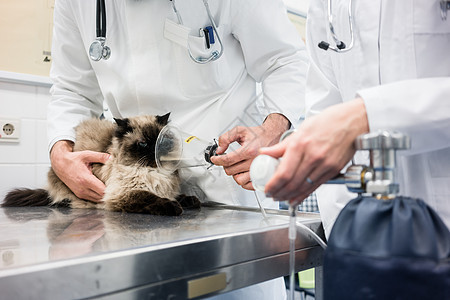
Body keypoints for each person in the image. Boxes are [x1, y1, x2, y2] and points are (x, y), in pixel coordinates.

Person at [48, 0, 308, 299]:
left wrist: (270, 130)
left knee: (233, 289)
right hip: (134, 192)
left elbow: (285, 60)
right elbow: (72, 89)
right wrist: (61, 152)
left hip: (226, 180)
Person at [261, 0, 450, 238]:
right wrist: (344, 230)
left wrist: (366, 115)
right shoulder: (326, 5)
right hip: (361, 234)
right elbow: (325, 101)